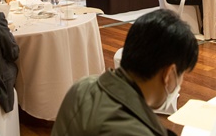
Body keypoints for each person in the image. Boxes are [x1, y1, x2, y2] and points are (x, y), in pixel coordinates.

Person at [52, 9, 198, 136]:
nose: (180, 83)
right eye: (182, 74)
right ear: (169, 73)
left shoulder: (81, 87)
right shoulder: (135, 130)